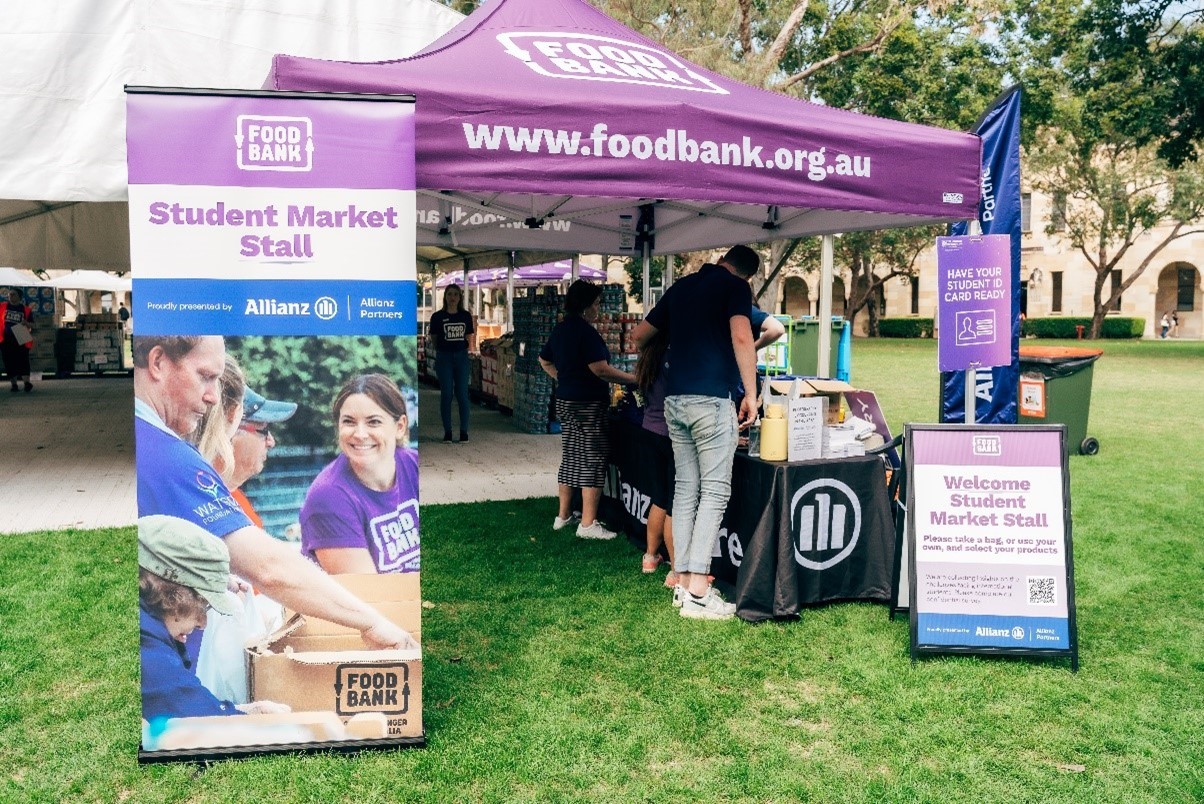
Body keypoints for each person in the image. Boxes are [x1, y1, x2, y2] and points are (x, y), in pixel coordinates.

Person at [133, 335, 416, 650]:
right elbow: (269, 568)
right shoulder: (168, 456)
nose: (212, 396)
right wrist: (373, 622)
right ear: (157, 363)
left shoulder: (147, 445)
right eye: (205, 376)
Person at [633, 245, 760, 620]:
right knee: (715, 490)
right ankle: (700, 591)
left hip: (674, 401)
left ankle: (685, 581)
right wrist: (751, 394)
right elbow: (741, 338)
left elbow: (640, 336)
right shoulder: (735, 288)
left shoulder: (681, 287)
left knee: (686, 490)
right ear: (746, 275)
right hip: (711, 400)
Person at [138, 514, 290, 721]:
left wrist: (244, 711)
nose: (203, 623)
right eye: (202, 604)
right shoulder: (145, 643)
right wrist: (243, 715)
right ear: (173, 592)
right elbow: (192, 715)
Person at [538, 280, 637, 541]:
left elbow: (543, 359)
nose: (599, 308)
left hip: (566, 400)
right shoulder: (587, 333)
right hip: (588, 404)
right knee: (593, 457)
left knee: (571, 454)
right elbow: (600, 369)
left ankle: (563, 516)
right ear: (585, 306)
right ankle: (589, 524)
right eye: (596, 303)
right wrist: (631, 379)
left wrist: (563, 377)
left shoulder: (560, 330)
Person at [300, 374, 421, 574]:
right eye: (349, 422)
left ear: (400, 427)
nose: (360, 434)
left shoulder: (414, 466)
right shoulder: (329, 497)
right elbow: (369, 596)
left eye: (373, 422)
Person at [635, 330, 676, 583]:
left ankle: (650, 557)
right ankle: (675, 569)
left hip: (649, 430)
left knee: (659, 497)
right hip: (671, 434)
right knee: (674, 502)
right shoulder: (673, 358)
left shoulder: (648, 359)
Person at [430, 284, 474, 443]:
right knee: (446, 394)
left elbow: (469, 336)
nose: (452, 297)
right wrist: (442, 350)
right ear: (445, 297)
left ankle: (464, 431)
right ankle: (447, 431)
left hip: (461, 357)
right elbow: (434, 338)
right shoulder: (437, 317)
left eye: (455, 294)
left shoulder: (465, 316)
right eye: (449, 294)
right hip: (444, 357)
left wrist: (467, 350)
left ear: (460, 297)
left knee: (462, 394)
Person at [0, 289, 34, 392]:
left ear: (19, 296)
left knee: (23, 359)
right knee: (9, 360)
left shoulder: (26, 309)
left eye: (13, 294)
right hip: (6, 336)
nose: (10, 296)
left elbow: (32, 324)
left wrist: (26, 323)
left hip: (21, 333)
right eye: (9, 294)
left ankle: (26, 383)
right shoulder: (3, 307)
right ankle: (14, 384)